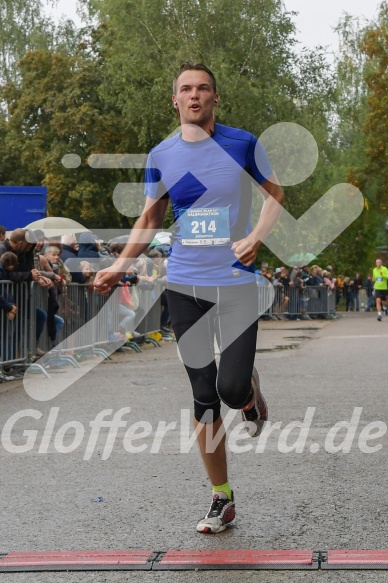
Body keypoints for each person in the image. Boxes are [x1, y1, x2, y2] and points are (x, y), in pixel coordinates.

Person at [94, 62, 284, 534]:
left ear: (215, 99)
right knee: (203, 396)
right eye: (186, 89)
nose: (195, 95)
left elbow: (275, 194)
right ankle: (221, 498)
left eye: (203, 89)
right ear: (174, 100)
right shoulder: (162, 154)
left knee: (231, 389)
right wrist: (122, 264)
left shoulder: (242, 143)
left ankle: (249, 394)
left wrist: (257, 235)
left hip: (236, 282)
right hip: (184, 283)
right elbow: (151, 217)